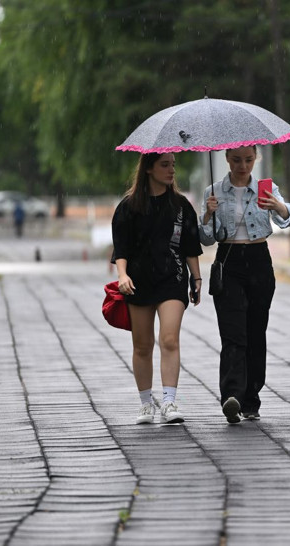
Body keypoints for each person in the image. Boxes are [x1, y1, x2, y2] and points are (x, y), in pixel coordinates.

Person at [200, 145, 290, 424]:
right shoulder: (214, 192)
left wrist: (276, 205)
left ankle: (251, 399)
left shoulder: (267, 188)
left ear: (256, 159)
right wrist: (207, 214)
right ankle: (232, 396)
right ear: (227, 159)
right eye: (237, 160)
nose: (243, 166)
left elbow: (287, 218)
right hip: (228, 261)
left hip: (258, 260)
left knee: (256, 332)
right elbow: (206, 238)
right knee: (232, 334)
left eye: (249, 160)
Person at [111, 153, 203, 425]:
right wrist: (122, 275)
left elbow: (190, 247)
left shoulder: (181, 206)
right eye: (165, 165)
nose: (171, 170)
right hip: (138, 281)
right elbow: (121, 249)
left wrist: (196, 279)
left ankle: (169, 400)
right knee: (142, 345)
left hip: (172, 279)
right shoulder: (128, 207)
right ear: (149, 169)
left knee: (169, 339)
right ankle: (145, 404)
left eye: (173, 165)